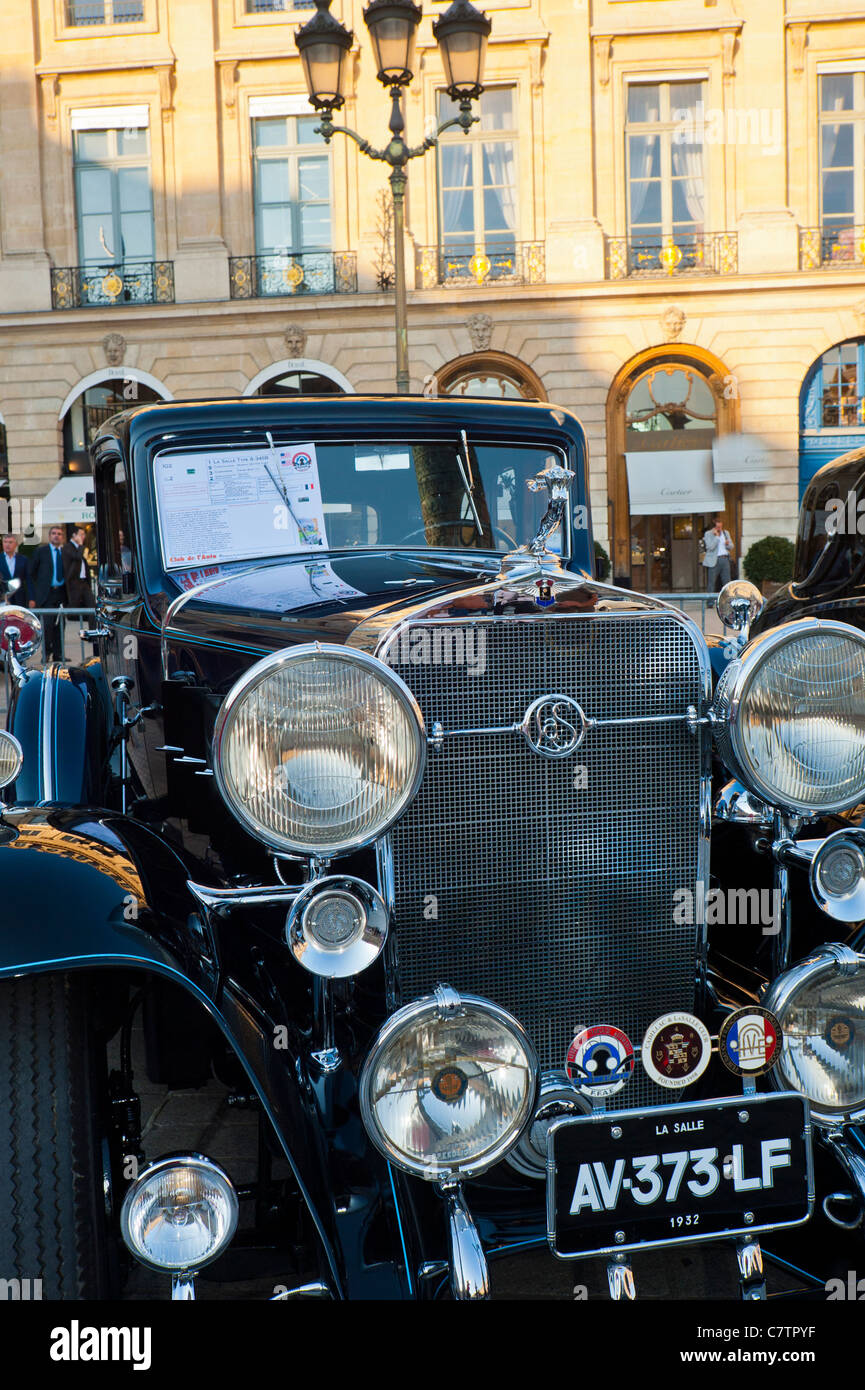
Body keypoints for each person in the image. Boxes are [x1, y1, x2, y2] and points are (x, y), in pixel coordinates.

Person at [30, 524, 68, 660]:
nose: (56, 535)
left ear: (62, 537)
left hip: (62, 593)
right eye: (54, 533)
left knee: (60, 626)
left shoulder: (65, 552)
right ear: (49, 536)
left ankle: (58, 654)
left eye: (59, 533)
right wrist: (37, 590)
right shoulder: (41, 551)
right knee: (47, 625)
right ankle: (46, 653)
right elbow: (31, 572)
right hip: (47, 594)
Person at [63, 525, 95, 611]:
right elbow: (76, 557)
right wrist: (81, 545)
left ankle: (93, 624)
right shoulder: (68, 547)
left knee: (92, 606)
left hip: (84, 582)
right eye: (81, 534)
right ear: (74, 535)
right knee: (73, 608)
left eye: (84, 534)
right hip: (74, 583)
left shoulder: (79, 548)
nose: (83, 537)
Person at [702, 514, 735, 593]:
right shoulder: (708, 534)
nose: (719, 528)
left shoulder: (726, 533)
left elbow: (731, 546)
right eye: (718, 527)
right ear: (714, 526)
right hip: (714, 560)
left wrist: (728, 544)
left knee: (727, 582)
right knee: (711, 582)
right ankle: (709, 603)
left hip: (725, 559)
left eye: (720, 526)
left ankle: (728, 601)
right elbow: (710, 547)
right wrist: (716, 537)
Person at [1, 532, 30, 604]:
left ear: (16, 544)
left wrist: (32, 598)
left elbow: (29, 580)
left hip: (20, 598)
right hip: (3, 598)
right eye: (5, 542)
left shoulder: (23, 559)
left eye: (10, 542)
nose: (7, 544)